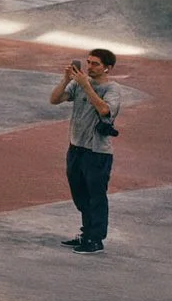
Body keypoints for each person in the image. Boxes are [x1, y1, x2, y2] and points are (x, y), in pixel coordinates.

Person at [48, 49, 119, 253]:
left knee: (96, 195)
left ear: (108, 67)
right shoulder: (79, 82)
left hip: (97, 152)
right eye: (89, 62)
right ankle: (87, 232)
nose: (90, 67)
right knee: (79, 193)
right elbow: (54, 99)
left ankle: (95, 238)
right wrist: (65, 80)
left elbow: (105, 110)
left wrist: (86, 86)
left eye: (96, 63)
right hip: (76, 148)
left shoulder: (112, 88)